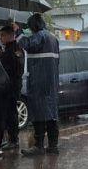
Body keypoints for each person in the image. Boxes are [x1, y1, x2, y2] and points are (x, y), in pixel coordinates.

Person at [13, 13, 60, 156]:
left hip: (39, 82)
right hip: (51, 83)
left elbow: (27, 44)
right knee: (52, 115)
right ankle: (53, 146)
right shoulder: (53, 38)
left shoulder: (40, 36)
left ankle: (39, 146)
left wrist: (18, 32)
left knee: (38, 114)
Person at [0, 25, 24, 150]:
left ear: (10, 35)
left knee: (11, 113)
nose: (1, 38)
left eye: (2, 35)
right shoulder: (7, 49)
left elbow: (15, 68)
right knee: (7, 113)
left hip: (12, 86)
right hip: (6, 86)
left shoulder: (15, 49)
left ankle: (14, 139)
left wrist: (1, 58)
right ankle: (11, 138)